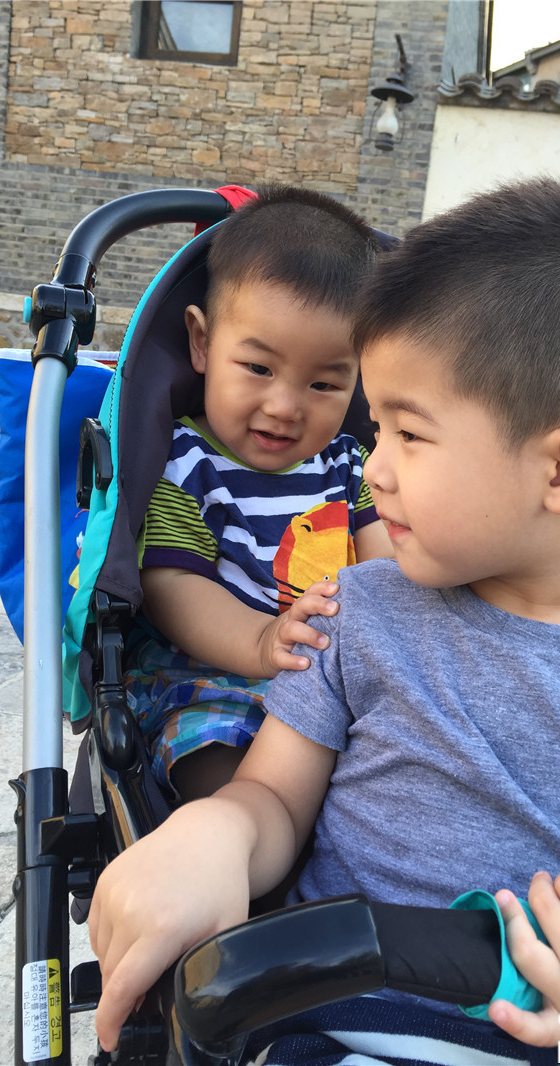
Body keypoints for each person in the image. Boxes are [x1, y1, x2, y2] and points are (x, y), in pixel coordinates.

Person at [89, 177, 560, 1064]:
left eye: (406, 434)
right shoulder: (358, 614)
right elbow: (272, 800)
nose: (371, 471)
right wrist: (211, 835)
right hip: (342, 1022)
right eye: (376, 431)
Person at [125, 185, 391, 802]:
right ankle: (238, 833)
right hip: (211, 677)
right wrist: (260, 642)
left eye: (324, 384)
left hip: (329, 679)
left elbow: (386, 570)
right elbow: (172, 587)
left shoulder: (348, 466)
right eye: (259, 368)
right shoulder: (184, 464)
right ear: (202, 342)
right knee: (214, 758)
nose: (285, 406)